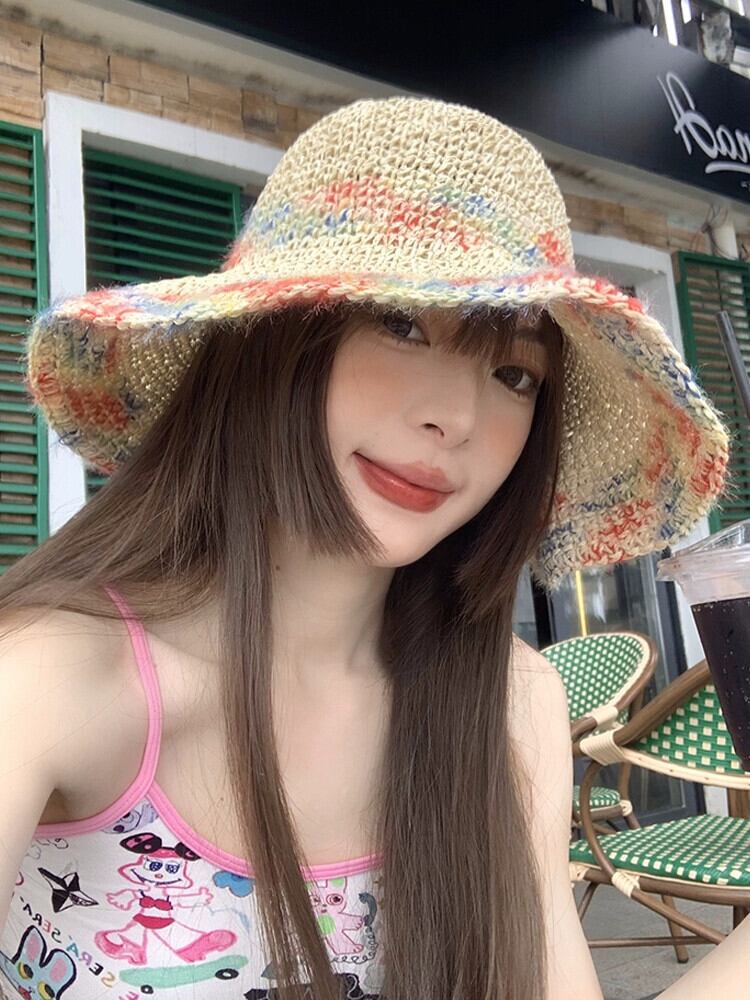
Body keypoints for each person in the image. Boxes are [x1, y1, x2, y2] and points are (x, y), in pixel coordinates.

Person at [0, 96, 740, 1000]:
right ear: (270, 341)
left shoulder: (508, 705)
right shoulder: (55, 673)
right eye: (401, 324)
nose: (455, 418)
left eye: (513, 373)